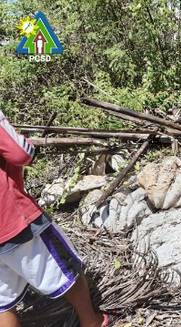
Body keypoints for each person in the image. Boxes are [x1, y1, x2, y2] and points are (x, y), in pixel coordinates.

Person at [0, 110, 110, 327]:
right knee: (66, 270)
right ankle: (92, 322)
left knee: (3, 301)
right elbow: (21, 153)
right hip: (13, 218)